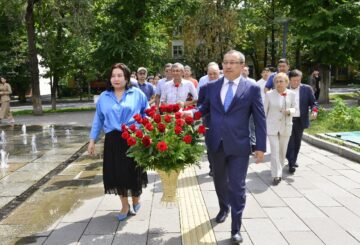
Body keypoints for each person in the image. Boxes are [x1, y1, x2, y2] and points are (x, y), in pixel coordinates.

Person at [193, 50, 266, 243]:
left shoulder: (251, 88)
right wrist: (191, 114)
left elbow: (260, 119)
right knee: (219, 182)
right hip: (216, 142)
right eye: (225, 62)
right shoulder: (211, 86)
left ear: (242, 66)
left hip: (239, 145)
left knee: (237, 186)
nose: (227, 66)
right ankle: (223, 207)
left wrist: (260, 146)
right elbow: (204, 107)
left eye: (232, 62)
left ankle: (236, 228)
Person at [88, 63, 149, 221]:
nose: (116, 79)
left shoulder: (137, 93)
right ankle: (124, 205)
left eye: (120, 75)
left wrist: (144, 128)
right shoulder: (104, 97)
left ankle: (136, 198)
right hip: (114, 139)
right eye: (113, 75)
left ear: (127, 77)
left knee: (134, 171)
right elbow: (98, 119)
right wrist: (92, 140)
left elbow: (146, 112)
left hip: (133, 137)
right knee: (117, 174)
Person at [264, 73, 296, 185]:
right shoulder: (269, 94)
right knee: (274, 151)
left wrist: (289, 111)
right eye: (277, 81)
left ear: (287, 82)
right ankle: (276, 175)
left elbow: (295, 109)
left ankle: (280, 170)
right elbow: (264, 111)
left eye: (281, 81)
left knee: (282, 151)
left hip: (286, 126)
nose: (279, 83)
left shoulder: (291, 94)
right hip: (272, 127)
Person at [286, 69, 318, 173]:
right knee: (290, 143)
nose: (296, 83)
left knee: (297, 143)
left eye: (298, 80)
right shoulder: (284, 89)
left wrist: (314, 111)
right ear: (289, 80)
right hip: (287, 120)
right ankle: (291, 163)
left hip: (300, 120)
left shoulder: (307, 89)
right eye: (294, 80)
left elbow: (314, 103)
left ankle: (293, 159)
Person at [197, 62, 221, 177]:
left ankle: (221, 166)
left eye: (214, 74)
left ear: (219, 74)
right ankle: (212, 167)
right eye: (210, 74)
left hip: (224, 122)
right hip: (209, 120)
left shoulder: (225, 86)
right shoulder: (204, 88)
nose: (212, 76)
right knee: (211, 145)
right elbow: (200, 104)